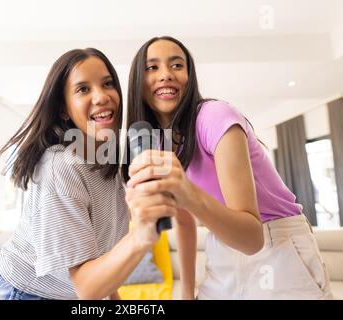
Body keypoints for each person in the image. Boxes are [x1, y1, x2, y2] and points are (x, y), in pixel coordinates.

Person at [124, 36, 333, 300]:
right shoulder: (162, 143)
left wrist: (188, 193)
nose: (166, 74)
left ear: (189, 76)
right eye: (152, 67)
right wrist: (187, 291)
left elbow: (251, 238)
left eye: (176, 65)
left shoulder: (214, 117)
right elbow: (185, 220)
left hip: (277, 245)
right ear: (137, 82)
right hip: (223, 244)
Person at [0, 48, 176, 300]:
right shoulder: (61, 166)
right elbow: (87, 288)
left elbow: (99, 263)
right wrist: (141, 235)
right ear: (64, 110)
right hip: (18, 293)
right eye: (83, 89)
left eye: (107, 84)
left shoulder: (112, 160)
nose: (101, 96)